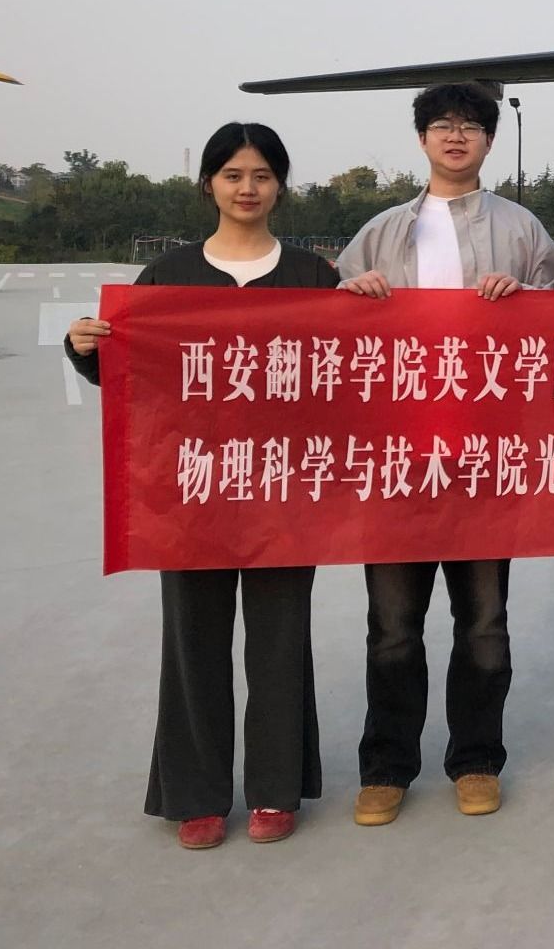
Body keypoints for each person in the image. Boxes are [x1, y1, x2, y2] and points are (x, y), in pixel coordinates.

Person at [65, 122, 335, 849]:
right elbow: (133, 376)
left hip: (283, 489)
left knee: (280, 642)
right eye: (233, 175)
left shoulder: (313, 276)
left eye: (262, 175)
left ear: (280, 186)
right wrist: (85, 348)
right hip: (191, 489)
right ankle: (196, 794)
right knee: (193, 643)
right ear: (209, 184)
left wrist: (370, 305)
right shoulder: (168, 276)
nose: (248, 188)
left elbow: (349, 377)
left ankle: (276, 788)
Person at [335, 82, 554, 826]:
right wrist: (352, 295)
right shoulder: (379, 234)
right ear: (422, 139)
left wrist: (526, 298)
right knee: (393, 627)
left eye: (470, 126)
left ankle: (476, 761)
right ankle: (386, 769)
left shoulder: (522, 230)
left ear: (490, 141)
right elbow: (325, 337)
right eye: (442, 125)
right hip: (397, 463)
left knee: (484, 625)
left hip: (485, 460)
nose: (456, 136)